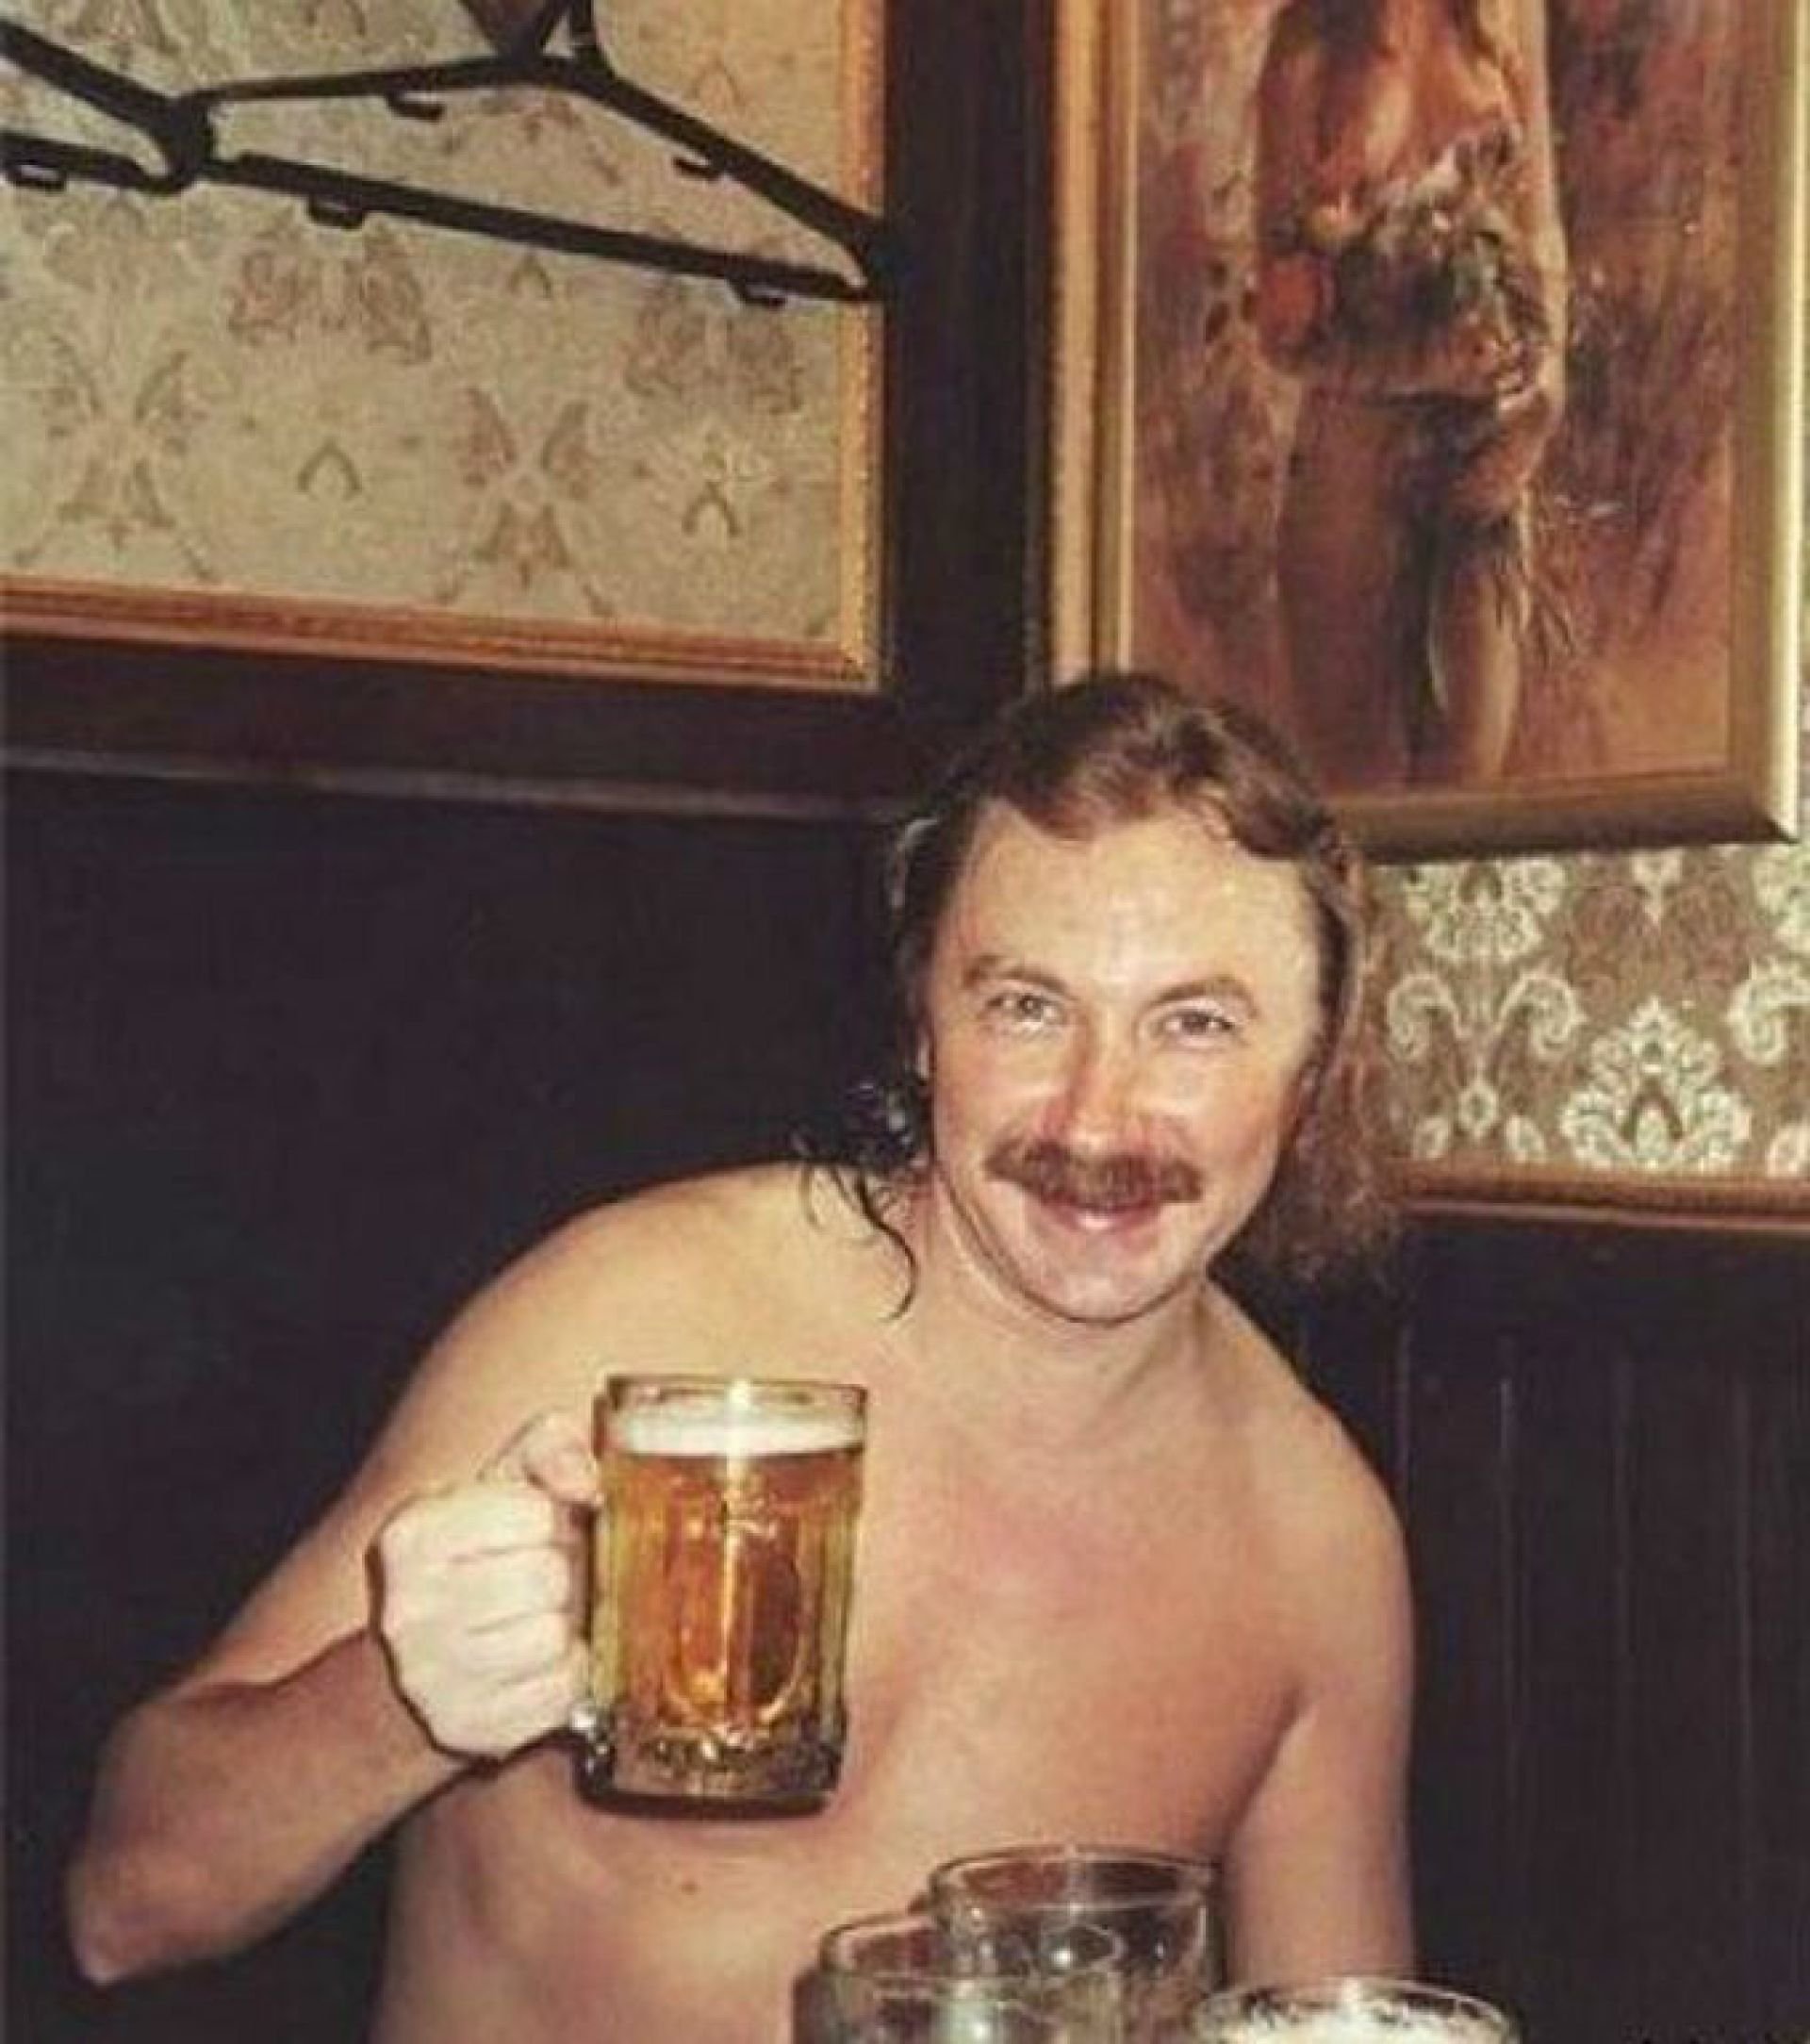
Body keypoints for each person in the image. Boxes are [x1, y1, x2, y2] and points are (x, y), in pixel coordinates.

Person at [67, 672, 1414, 2043]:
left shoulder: (1314, 1537)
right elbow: (128, 1904)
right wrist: (403, 1701)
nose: (1094, 1117)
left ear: (1313, 1074)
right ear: (925, 1030)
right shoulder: (634, 1324)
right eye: (1025, 1006)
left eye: (1196, 1024)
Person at [1254, 0, 1569, 785]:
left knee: (1474, 772)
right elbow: (1282, 328)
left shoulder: (1505, 19)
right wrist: (1429, 364)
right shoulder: (1309, 44)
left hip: (1489, 453)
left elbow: (1544, 238)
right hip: (1353, 464)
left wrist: (1539, 401)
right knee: (1357, 784)